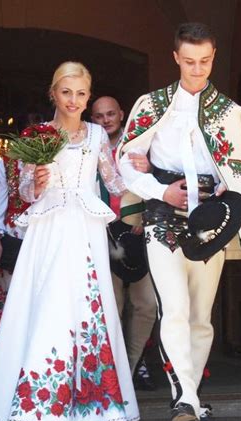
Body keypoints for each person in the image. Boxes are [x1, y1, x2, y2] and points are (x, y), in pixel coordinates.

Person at [118, 23, 241, 421]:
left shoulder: (232, 112)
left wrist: (232, 186)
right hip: (162, 216)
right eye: (189, 61)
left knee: (201, 316)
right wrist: (158, 189)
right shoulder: (150, 105)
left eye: (205, 62)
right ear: (175, 58)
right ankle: (185, 400)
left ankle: (191, 397)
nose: (197, 69)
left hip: (212, 220)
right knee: (172, 308)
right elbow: (125, 159)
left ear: (214, 57)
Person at [0, 62, 140, 421]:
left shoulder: (98, 135)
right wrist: (36, 184)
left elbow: (114, 183)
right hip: (49, 228)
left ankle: (94, 405)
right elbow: (22, 193)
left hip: (86, 229)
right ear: (53, 93)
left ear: (88, 96)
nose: (74, 100)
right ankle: (40, 406)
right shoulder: (37, 135)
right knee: (50, 303)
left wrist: (145, 182)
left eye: (81, 93)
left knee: (88, 304)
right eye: (67, 92)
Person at [91, 96, 157, 390]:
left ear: (121, 114)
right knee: (111, 308)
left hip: (138, 231)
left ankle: (128, 371)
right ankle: (110, 374)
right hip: (101, 232)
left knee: (145, 305)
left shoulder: (140, 145)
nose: (106, 120)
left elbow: (158, 181)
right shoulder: (88, 147)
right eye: (99, 116)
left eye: (110, 114)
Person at [0, 155, 30, 362]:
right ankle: (5, 357)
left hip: (45, 233)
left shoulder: (56, 158)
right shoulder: (8, 163)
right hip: (12, 237)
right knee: (11, 299)